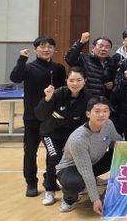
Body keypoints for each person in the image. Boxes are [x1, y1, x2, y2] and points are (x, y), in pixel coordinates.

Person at [10, 36, 66, 197]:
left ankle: (50, 180)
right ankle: (31, 183)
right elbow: (15, 78)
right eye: (42, 46)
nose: (46, 49)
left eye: (50, 47)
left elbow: (62, 91)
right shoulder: (28, 67)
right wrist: (22, 59)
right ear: (35, 49)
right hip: (32, 117)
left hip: (52, 118)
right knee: (30, 152)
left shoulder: (59, 68)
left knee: (53, 152)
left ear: (54, 49)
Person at [55, 97, 122, 214]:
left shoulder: (108, 124)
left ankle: (98, 183)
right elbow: (85, 170)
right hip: (71, 168)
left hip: (92, 162)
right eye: (97, 111)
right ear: (88, 114)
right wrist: (95, 199)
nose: (102, 115)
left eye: (105, 111)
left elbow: (119, 143)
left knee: (119, 153)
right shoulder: (79, 139)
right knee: (73, 182)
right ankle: (69, 199)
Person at [35, 68, 90, 206]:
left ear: (85, 81)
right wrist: (47, 99)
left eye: (79, 80)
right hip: (50, 133)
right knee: (54, 157)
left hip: (70, 136)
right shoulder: (57, 94)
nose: (75, 83)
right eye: (71, 80)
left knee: (73, 159)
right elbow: (40, 115)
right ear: (66, 81)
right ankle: (50, 189)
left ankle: (74, 186)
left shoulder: (88, 97)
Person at [65, 32, 113, 98]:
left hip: (103, 100)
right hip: (85, 99)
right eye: (100, 46)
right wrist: (81, 42)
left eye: (107, 47)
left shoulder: (112, 62)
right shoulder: (84, 58)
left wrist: (112, 84)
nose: (103, 49)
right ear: (93, 48)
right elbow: (69, 59)